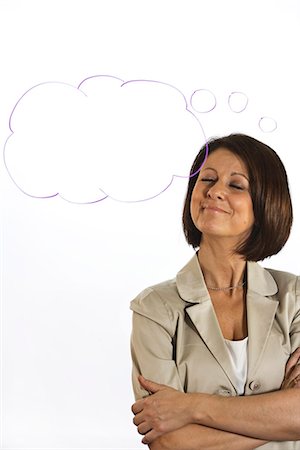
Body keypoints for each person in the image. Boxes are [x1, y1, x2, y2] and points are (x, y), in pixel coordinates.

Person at [130, 133, 300, 450]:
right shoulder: (153, 308)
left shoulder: (295, 298)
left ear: (266, 203)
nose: (215, 191)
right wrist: (282, 422)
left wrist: (193, 407)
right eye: (207, 179)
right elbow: (169, 441)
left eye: (236, 185)